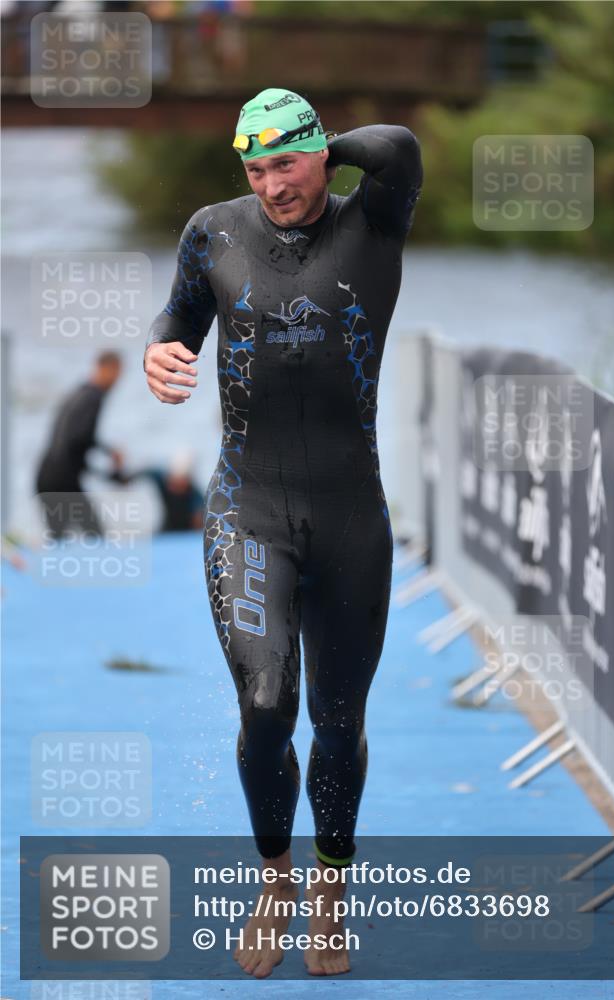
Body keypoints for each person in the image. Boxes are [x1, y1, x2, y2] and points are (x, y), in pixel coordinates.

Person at [144, 87, 422, 978]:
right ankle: (275, 883)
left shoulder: (373, 222)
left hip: (351, 517)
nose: (272, 185)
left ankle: (331, 895)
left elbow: (398, 143)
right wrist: (160, 349)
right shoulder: (212, 231)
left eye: (287, 163)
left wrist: (322, 147)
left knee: (338, 722)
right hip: (247, 511)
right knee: (267, 708)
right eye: (254, 168)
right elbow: (180, 315)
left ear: (321, 155)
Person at [36, 351, 123, 537]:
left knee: (60, 538)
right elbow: (79, 438)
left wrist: (104, 470)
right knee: (94, 533)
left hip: (48, 476)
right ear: (105, 369)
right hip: (62, 481)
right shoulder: (93, 397)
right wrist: (110, 454)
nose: (117, 380)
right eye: (116, 373)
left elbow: (72, 440)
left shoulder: (80, 392)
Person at [112, 450, 205, 533]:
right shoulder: (161, 478)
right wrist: (123, 476)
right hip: (166, 530)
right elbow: (138, 473)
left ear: (188, 480)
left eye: (181, 481)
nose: (175, 485)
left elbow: (198, 523)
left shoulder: (196, 495)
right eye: (174, 479)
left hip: (186, 533)